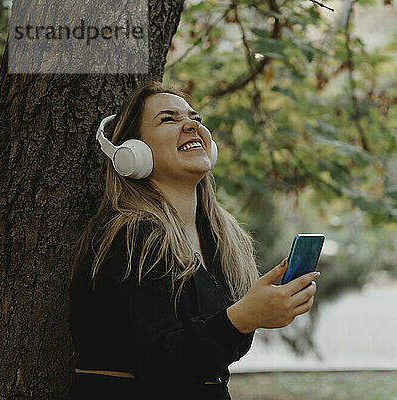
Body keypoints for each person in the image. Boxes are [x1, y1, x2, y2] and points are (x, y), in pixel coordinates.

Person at [68, 81, 321, 399]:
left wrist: (261, 312)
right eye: (168, 119)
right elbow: (161, 364)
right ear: (133, 154)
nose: (192, 124)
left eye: (195, 118)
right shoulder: (128, 237)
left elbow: (215, 351)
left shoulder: (222, 239)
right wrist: (244, 316)